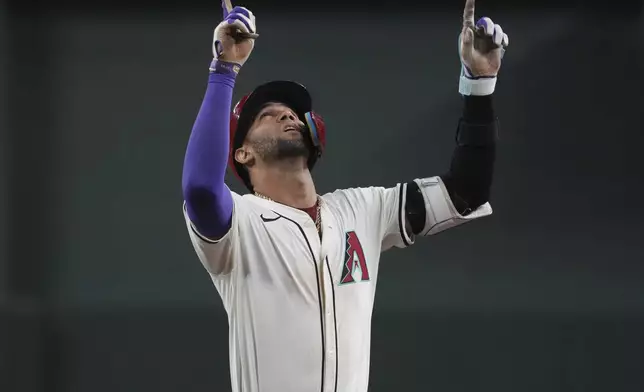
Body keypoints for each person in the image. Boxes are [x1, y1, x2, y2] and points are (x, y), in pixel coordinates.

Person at [181, 0, 509, 391]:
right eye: (268, 114)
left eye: (292, 111)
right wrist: (224, 72)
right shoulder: (240, 222)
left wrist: (479, 85)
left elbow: (466, 191)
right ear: (242, 152)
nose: (287, 114)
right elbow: (200, 188)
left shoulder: (362, 209)